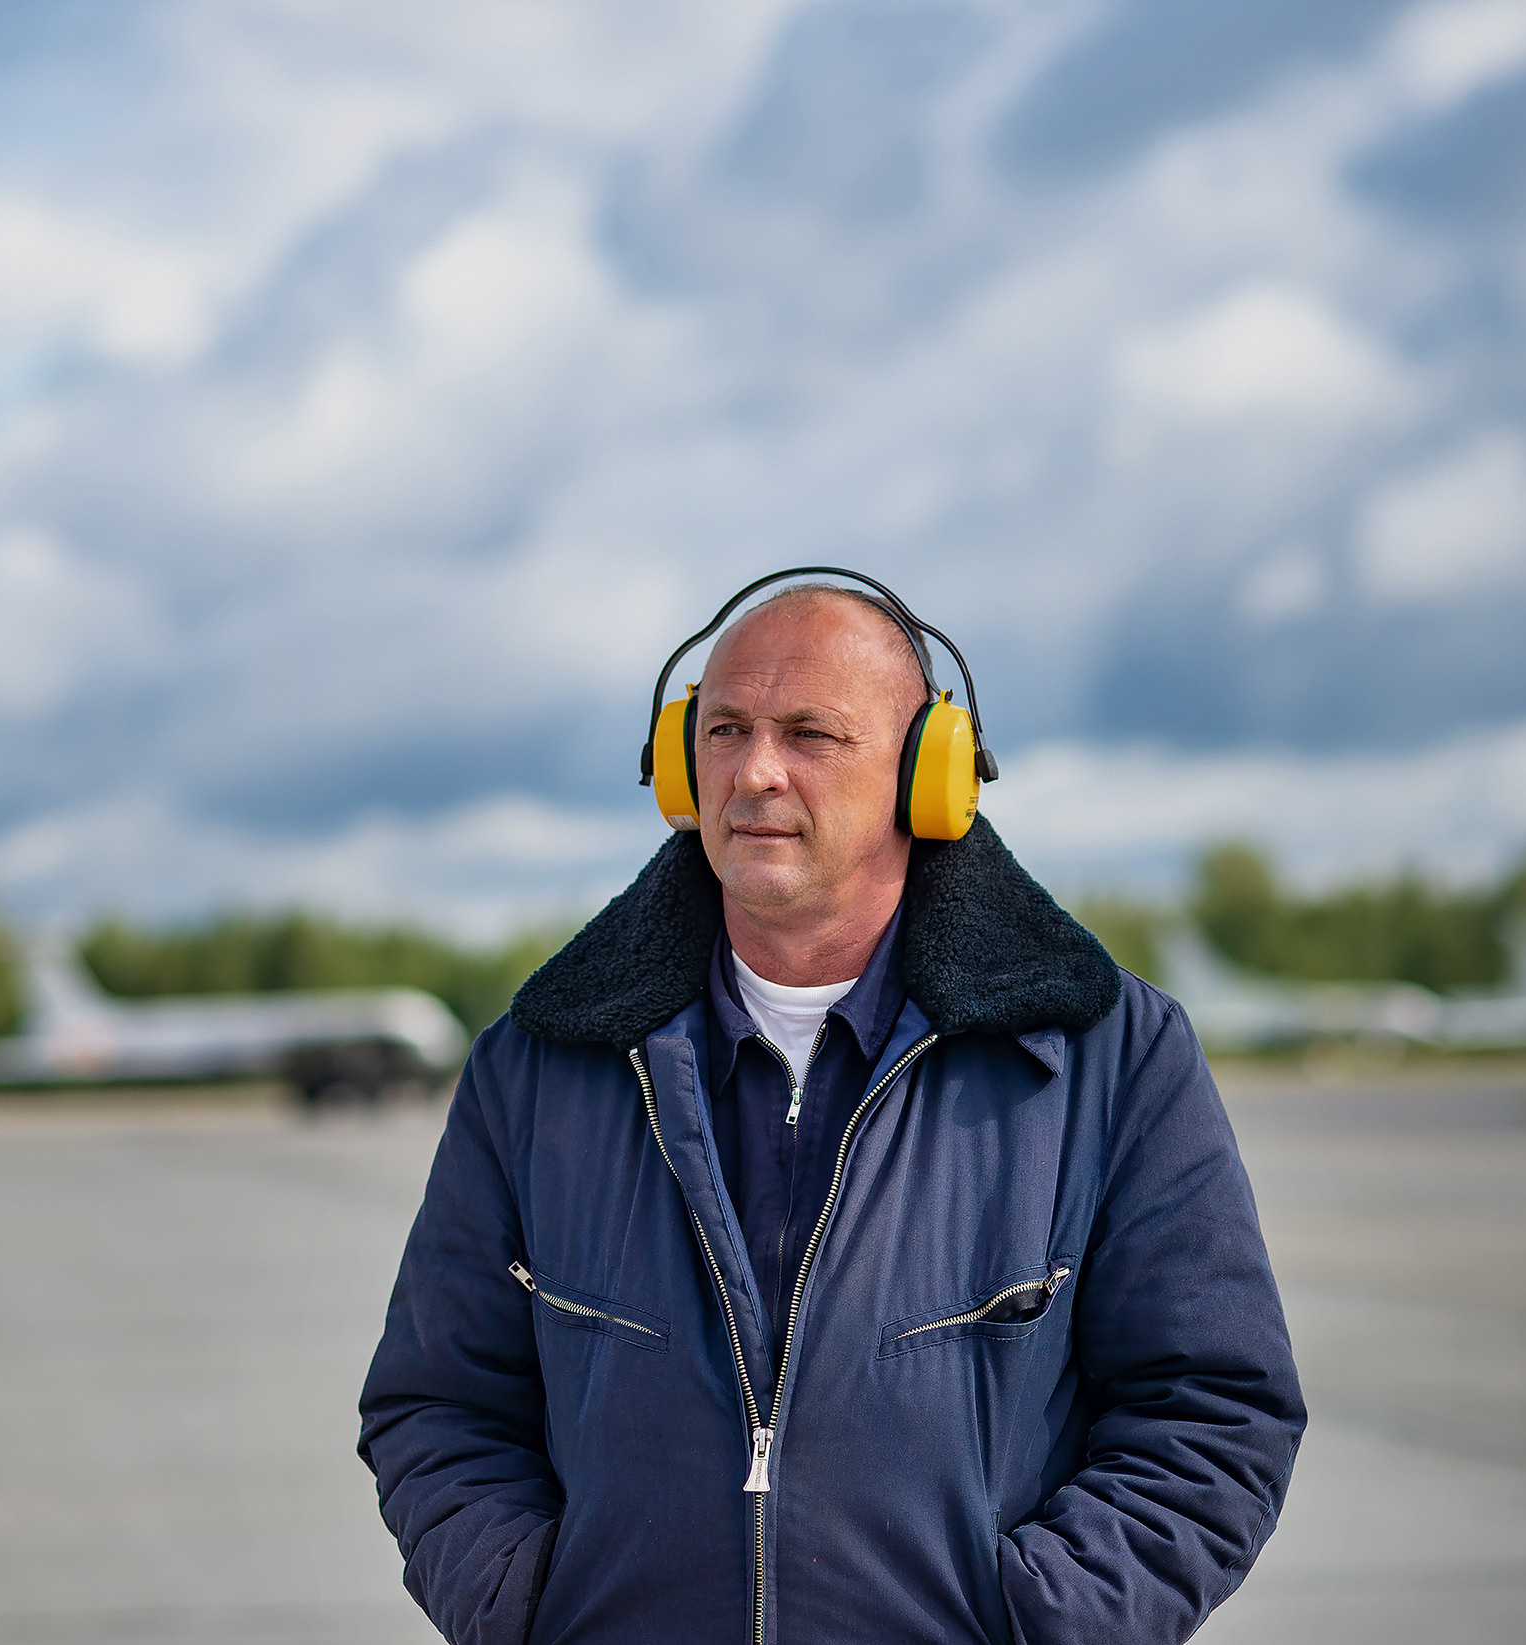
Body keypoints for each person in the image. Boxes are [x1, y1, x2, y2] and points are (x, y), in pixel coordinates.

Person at [357, 572, 1304, 1645]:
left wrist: (1043, 1624)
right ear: (679, 765)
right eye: (724, 729)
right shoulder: (536, 1068)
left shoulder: (1113, 1060)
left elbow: (1214, 1413)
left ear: (927, 775)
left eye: (811, 733)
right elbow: (436, 1406)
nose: (756, 771)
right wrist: (529, 1607)